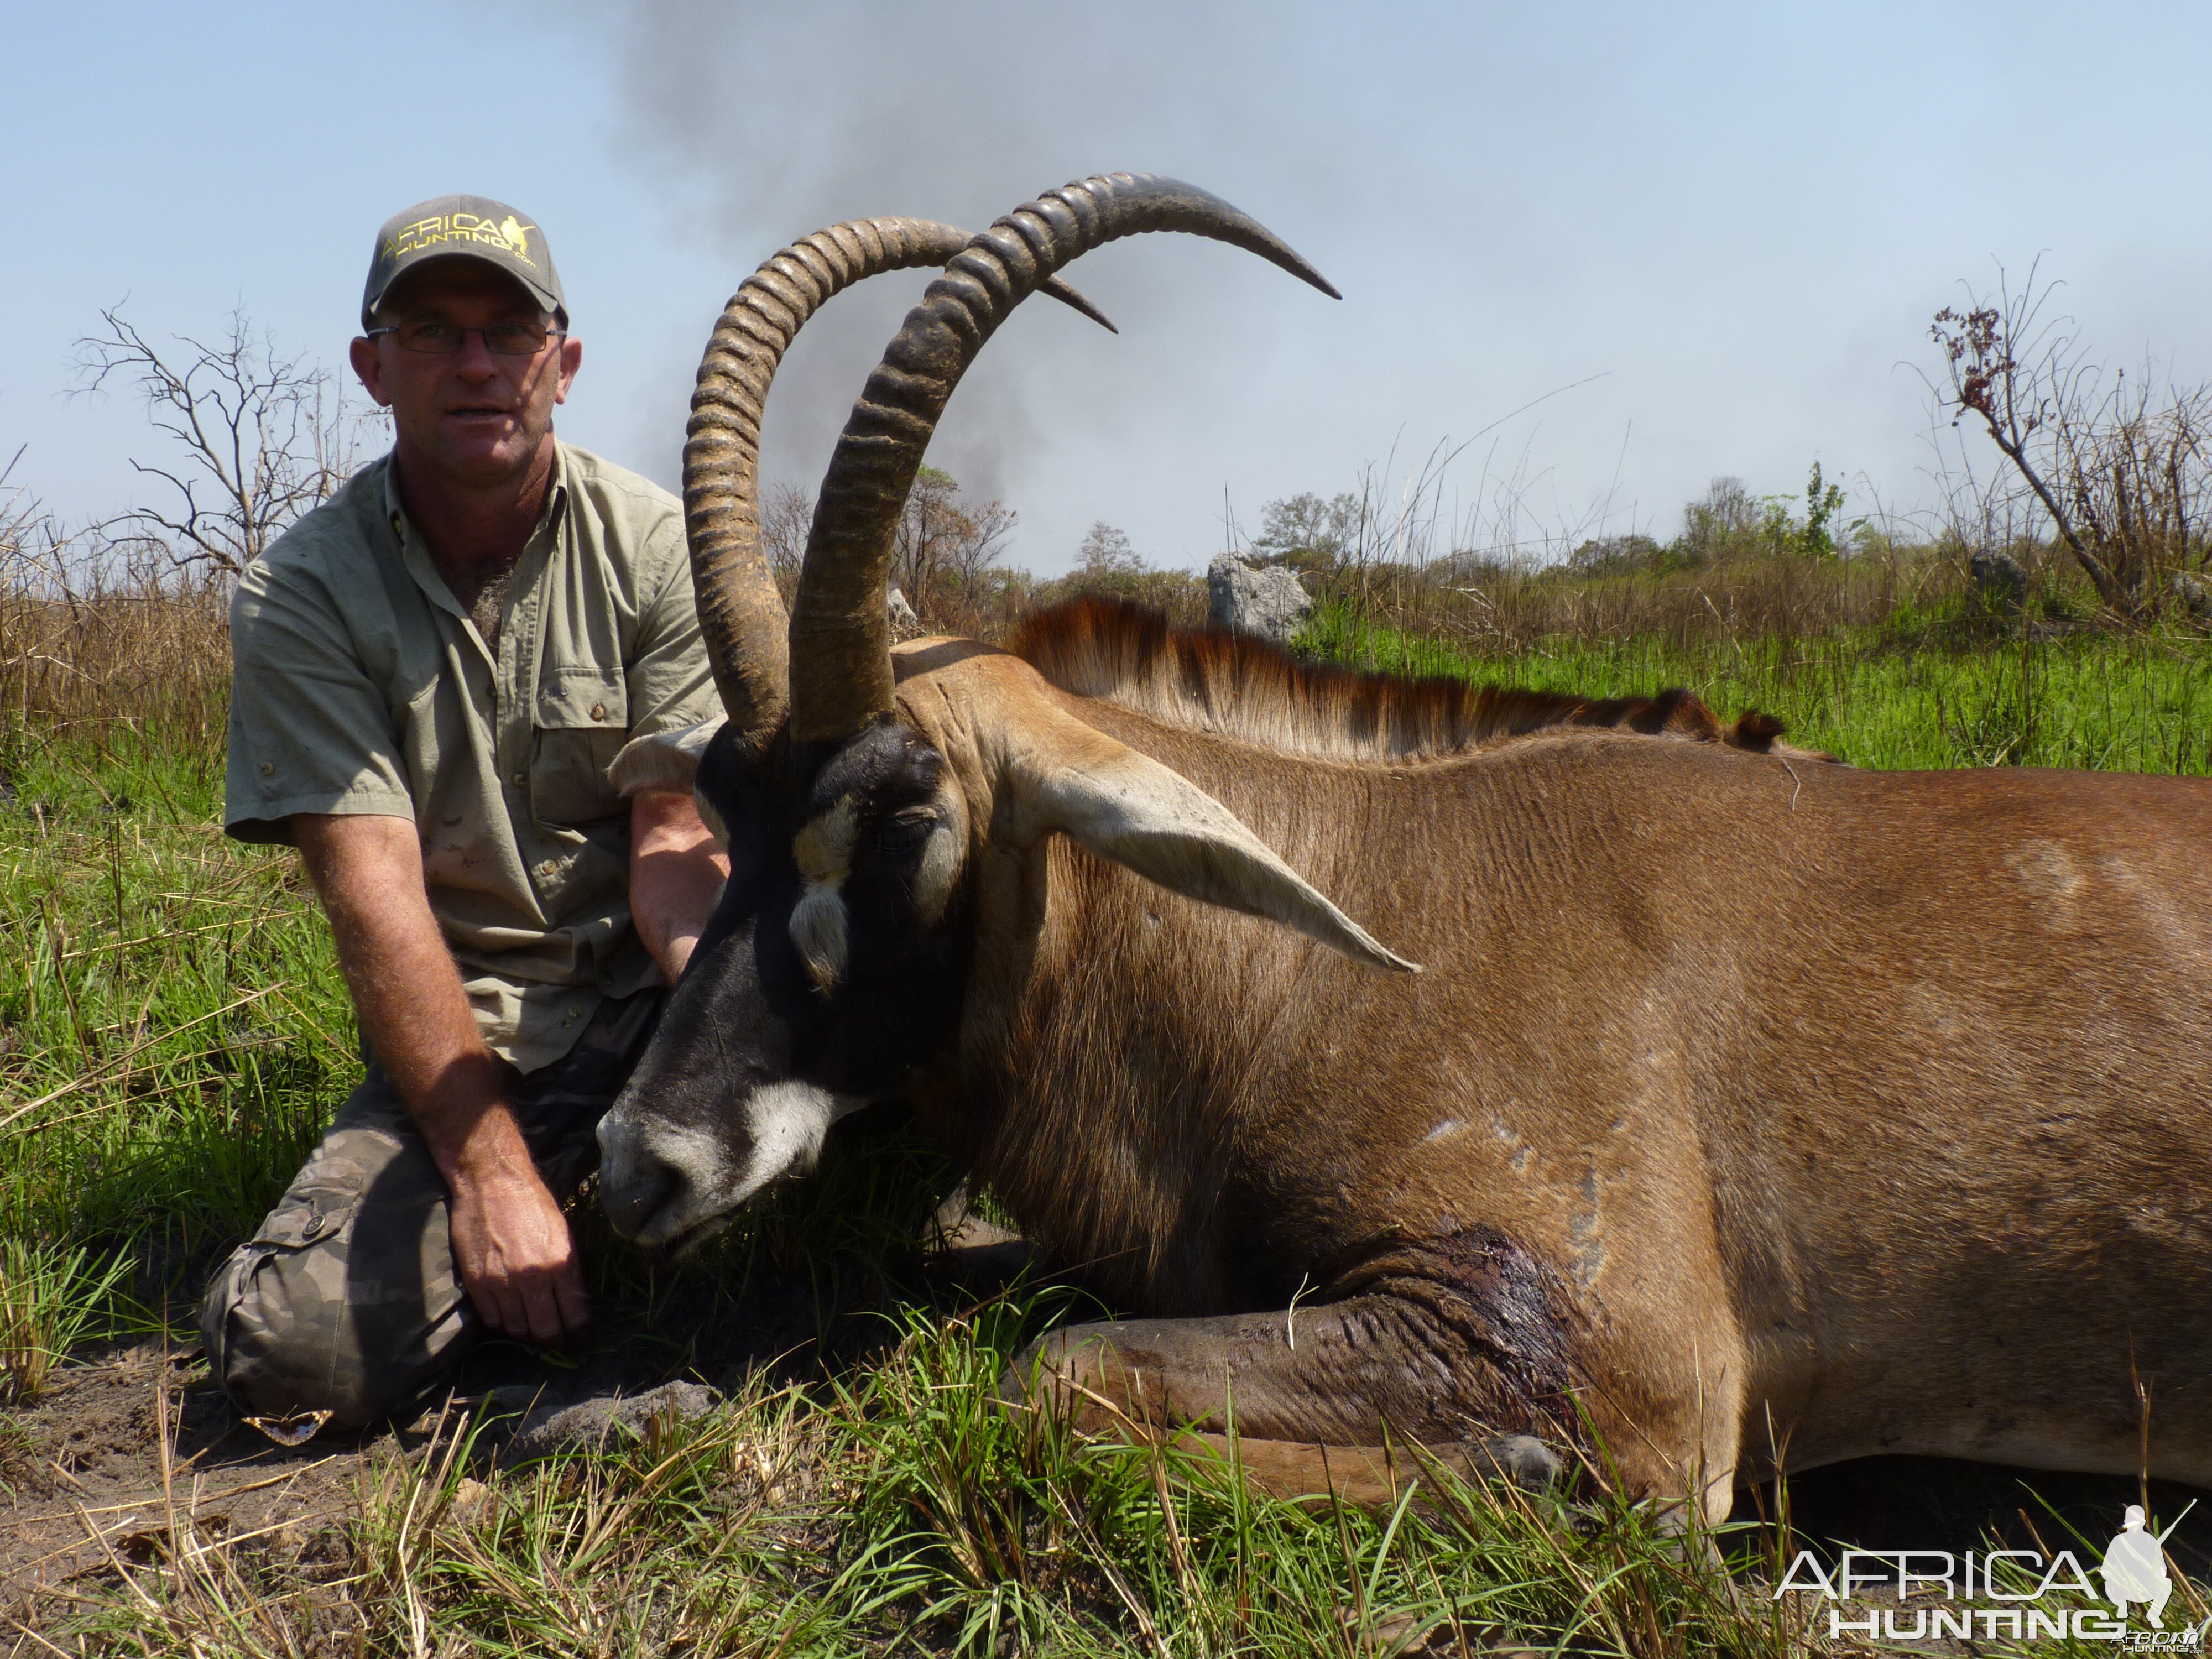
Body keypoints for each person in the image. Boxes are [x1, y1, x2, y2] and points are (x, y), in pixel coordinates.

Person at [199, 195, 728, 1439]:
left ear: (566, 360)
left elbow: (673, 843)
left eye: (510, 330)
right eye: (433, 332)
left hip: (654, 996)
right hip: (477, 1028)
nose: (478, 365)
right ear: (372, 369)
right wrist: (489, 1171)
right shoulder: (300, 592)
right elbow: (373, 896)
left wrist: (724, 1030)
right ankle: (519, 1243)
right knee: (293, 1353)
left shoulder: (664, 547)